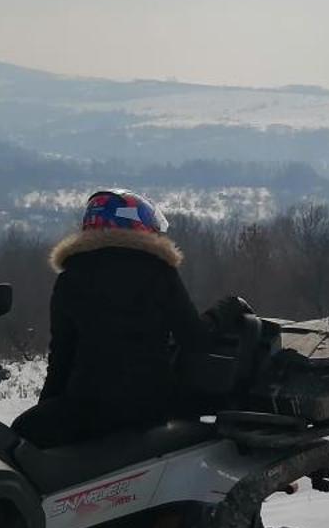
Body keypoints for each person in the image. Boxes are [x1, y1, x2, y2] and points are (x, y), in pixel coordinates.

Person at [13, 189, 210, 448]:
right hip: (148, 409)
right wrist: (221, 315)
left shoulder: (70, 277)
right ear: (138, 224)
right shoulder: (159, 271)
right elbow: (193, 337)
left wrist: (48, 408)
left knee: (15, 442)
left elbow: (61, 355)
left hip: (86, 407)